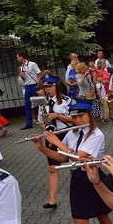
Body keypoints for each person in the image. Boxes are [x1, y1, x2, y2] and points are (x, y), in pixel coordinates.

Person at [32, 99, 113, 224]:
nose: (77, 120)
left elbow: (78, 158)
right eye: (74, 116)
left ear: (89, 115)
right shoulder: (72, 132)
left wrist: (56, 142)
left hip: (94, 177)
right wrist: (43, 147)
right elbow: (62, 158)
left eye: (80, 116)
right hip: (78, 181)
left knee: (102, 216)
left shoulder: (97, 135)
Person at [37, 74, 73, 209]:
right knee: (52, 168)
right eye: (45, 87)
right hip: (52, 135)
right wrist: (46, 128)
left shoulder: (66, 101)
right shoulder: (43, 103)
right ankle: (52, 201)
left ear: (56, 86)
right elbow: (41, 122)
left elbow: (74, 119)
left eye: (49, 86)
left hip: (66, 134)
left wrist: (57, 115)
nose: (47, 89)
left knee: (72, 165)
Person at [16, 50, 41, 130]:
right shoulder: (22, 67)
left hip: (34, 85)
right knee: (27, 105)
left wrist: (38, 84)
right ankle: (29, 124)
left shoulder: (32, 64)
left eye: (18, 57)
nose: (17, 59)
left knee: (40, 103)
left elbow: (39, 74)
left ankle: (43, 120)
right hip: (27, 86)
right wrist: (22, 76)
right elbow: (24, 79)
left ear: (21, 57)